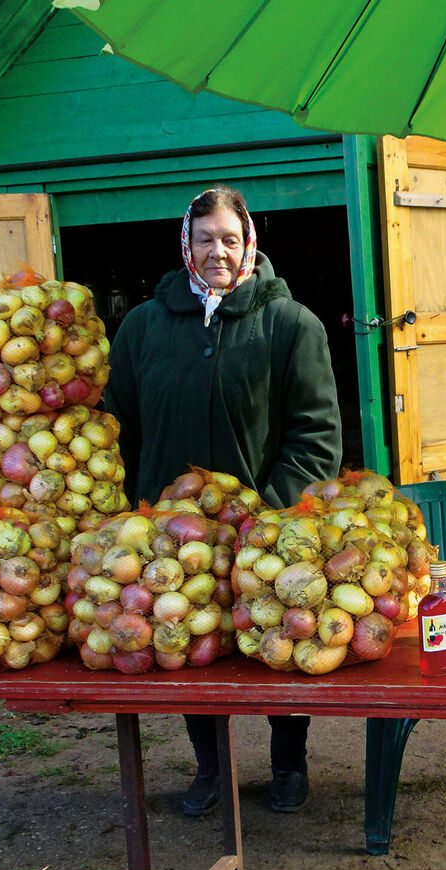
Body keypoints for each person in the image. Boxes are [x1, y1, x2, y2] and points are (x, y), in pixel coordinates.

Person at [101, 186, 342, 816]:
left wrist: (269, 516)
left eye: (230, 239)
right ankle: (211, 768)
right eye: (205, 238)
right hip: (171, 536)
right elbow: (115, 426)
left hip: (266, 531)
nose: (218, 252)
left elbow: (315, 435)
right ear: (187, 243)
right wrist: (133, 510)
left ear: (249, 243)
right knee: (189, 642)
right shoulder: (144, 326)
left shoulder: (290, 324)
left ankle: (289, 764)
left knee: (279, 640)